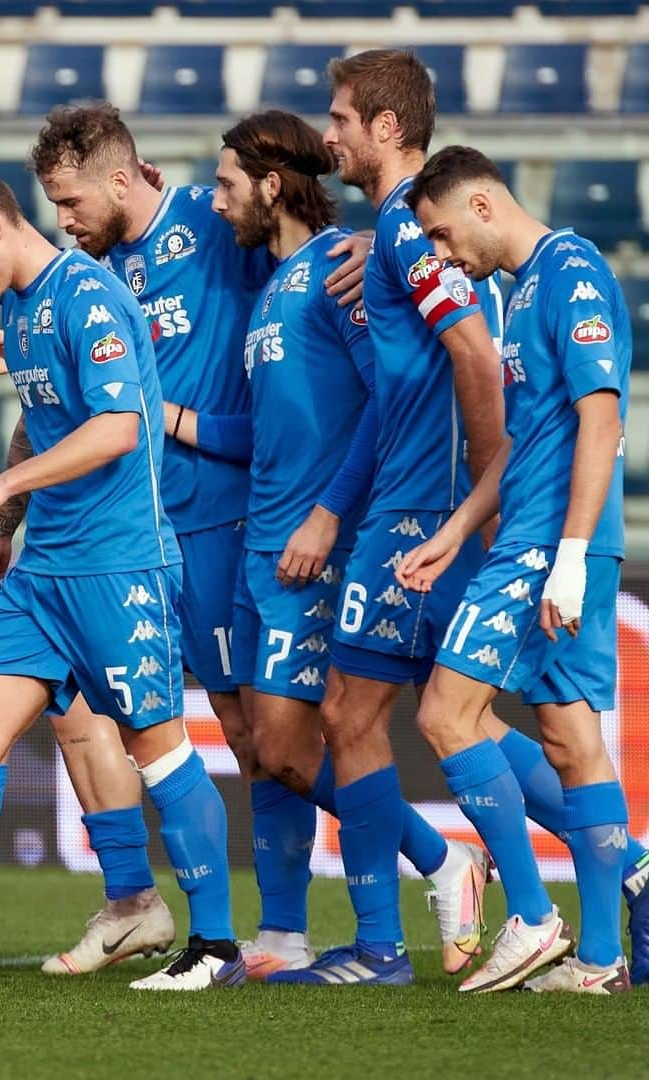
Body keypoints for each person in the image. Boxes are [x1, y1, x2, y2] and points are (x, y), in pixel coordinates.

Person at [0, 102, 365, 977]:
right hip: (124, 537)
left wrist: (378, 242)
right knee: (117, 721)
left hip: (219, 519)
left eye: (70, 203)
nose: (63, 224)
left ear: (122, 180)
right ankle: (138, 904)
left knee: (258, 736)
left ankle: (317, 908)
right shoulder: (83, 280)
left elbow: (299, 223)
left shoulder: (213, 220)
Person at [165, 109, 490, 981]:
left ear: (273, 187)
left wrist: (328, 514)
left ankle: (441, 860)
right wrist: (172, 419)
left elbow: (393, 395)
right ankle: (299, 933)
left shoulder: (340, 273)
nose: (217, 199)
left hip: (318, 545)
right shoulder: (269, 287)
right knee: (270, 750)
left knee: (299, 744)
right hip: (258, 543)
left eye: (229, 182)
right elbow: (268, 432)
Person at [0, 163, 244, 991]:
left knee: (155, 748)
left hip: (119, 564)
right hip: (42, 569)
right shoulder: (21, 311)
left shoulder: (87, 296)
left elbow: (119, 428)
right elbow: (41, 419)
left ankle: (218, 947)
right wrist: (0, 534)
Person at [276, 50, 508, 987]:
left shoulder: (411, 231)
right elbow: (409, 379)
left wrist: (488, 501)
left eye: (338, 117)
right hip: (405, 505)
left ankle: (381, 947)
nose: (326, 133)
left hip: (423, 510)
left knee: (361, 711)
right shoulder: (400, 230)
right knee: (437, 716)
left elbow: (478, 358)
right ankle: (627, 866)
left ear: (385, 127)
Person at [397, 144, 646, 993]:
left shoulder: (569, 268)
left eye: (438, 233)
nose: (438, 255)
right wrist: (459, 528)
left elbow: (603, 418)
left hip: (550, 543)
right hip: (532, 536)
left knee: (445, 715)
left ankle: (535, 918)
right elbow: (522, 443)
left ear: (482, 205)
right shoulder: (516, 293)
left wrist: (569, 556)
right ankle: (601, 961)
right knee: (574, 744)